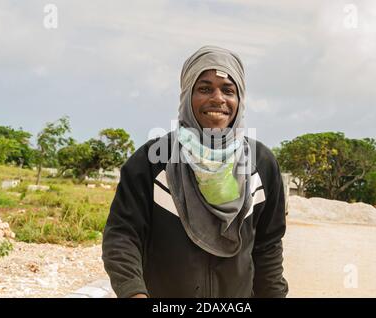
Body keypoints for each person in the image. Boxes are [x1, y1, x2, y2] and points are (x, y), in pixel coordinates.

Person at [102, 45, 288, 298]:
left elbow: (268, 247)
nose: (218, 99)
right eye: (204, 88)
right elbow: (123, 234)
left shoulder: (261, 163)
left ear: (240, 98)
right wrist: (133, 291)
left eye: (228, 90)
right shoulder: (152, 160)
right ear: (186, 95)